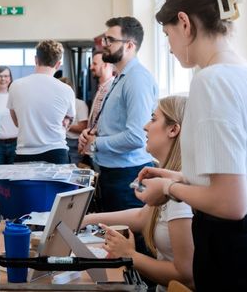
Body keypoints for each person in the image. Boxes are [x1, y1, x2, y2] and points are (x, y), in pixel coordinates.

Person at [135, 0, 247, 291]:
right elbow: (244, 176)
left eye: (168, 34)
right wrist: (180, 177)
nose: (170, 47)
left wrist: (169, 189)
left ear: (185, 23)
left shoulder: (211, 81)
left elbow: (230, 202)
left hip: (234, 254)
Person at [82, 96, 194, 292]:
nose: (145, 126)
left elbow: (185, 276)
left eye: (153, 119)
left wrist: (130, 255)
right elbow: (143, 216)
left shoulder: (179, 194)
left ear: (173, 130)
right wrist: (86, 220)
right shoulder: (169, 179)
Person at [79, 17, 158, 212]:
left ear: (129, 45)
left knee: (124, 231)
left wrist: (96, 143)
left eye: (110, 40)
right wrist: (93, 134)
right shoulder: (121, 77)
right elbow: (117, 125)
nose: (104, 44)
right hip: (114, 174)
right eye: (104, 39)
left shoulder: (136, 79)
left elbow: (137, 136)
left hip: (126, 175)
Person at [7, 40, 75, 164]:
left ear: (36, 59)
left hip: (25, 153)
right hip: (56, 152)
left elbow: (17, 122)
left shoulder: (15, 86)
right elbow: (68, 122)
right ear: (58, 64)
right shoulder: (66, 89)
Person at [77, 50, 115, 168]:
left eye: (94, 64)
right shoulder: (101, 88)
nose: (91, 67)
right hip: (94, 146)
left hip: (102, 149)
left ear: (106, 65)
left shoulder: (112, 89)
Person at [0, 66, 18, 165]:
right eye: (0, 76)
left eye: (6, 76)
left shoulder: (16, 95)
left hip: (16, 143)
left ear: (10, 78)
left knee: (15, 173)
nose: (3, 79)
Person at [58, 76, 89, 166]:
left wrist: (63, 124)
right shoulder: (57, 104)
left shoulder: (80, 104)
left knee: (71, 168)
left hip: (74, 143)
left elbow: (82, 127)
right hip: (60, 140)